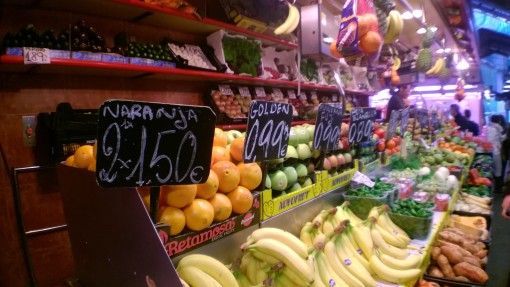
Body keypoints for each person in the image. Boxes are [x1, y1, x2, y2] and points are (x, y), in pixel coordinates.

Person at [488, 115, 505, 192]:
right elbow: (501, 138)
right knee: (498, 170)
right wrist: (506, 135)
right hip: (496, 151)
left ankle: (494, 187)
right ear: (498, 121)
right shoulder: (497, 127)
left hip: (491, 151)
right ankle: (498, 188)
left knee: (494, 169)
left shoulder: (489, 127)